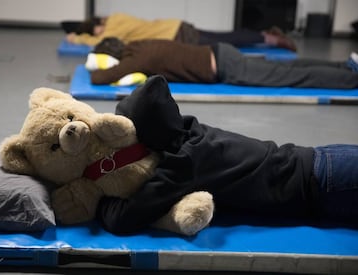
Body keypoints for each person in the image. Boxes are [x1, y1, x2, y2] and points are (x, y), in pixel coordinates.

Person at [94, 75, 358, 235]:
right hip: (326, 161)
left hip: (325, 186)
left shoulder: (185, 162)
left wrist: (98, 200)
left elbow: (125, 218)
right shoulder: (191, 130)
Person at [88, 37, 358, 89]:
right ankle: (345, 66)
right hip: (219, 52)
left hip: (225, 67)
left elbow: (100, 78)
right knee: (286, 67)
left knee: (289, 76)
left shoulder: (138, 58)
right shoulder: (142, 44)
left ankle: (351, 77)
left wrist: (96, 65)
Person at [62, 13, 296, 51]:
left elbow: (100, 41)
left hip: (176, 36)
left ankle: (271, 38)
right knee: (224, 36)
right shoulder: (116, 17)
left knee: (227, 41)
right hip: (177, 26)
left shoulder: (111, 27)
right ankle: (266, 33)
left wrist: (77, 37)